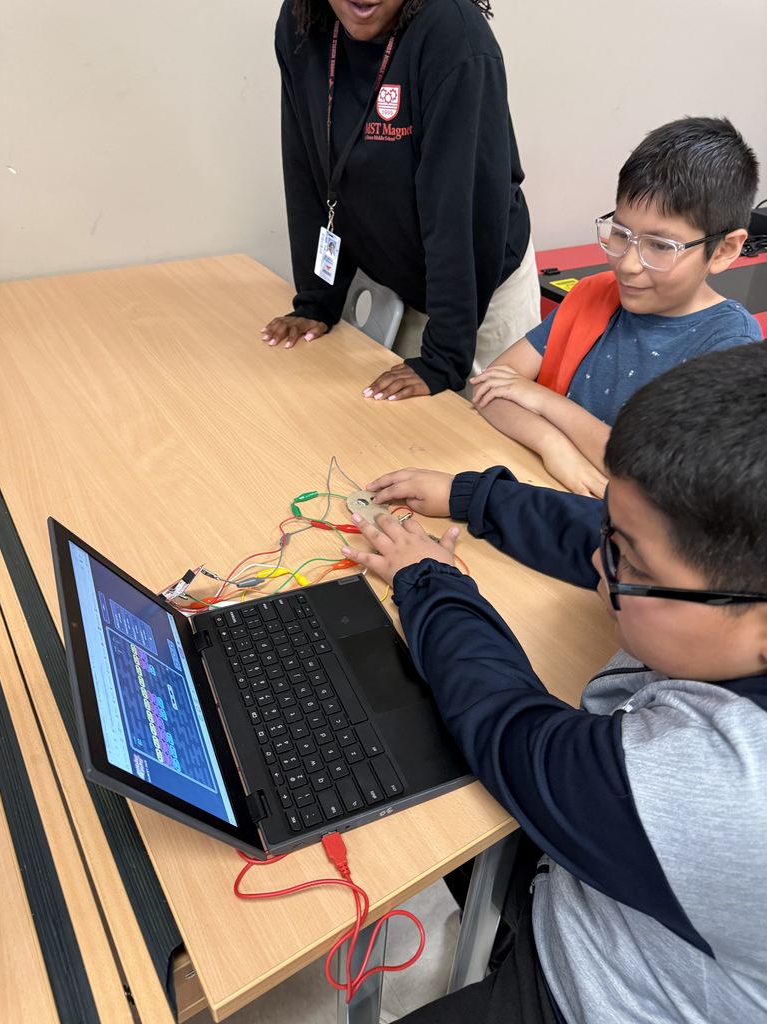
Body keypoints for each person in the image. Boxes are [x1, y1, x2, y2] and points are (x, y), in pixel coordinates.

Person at [339, 343, 767, 1023]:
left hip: (591, 988)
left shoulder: (728, 785)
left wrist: (431, 582)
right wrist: (474, 496)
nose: (600, 557)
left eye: (623, 559)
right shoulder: (723, 591)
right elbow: (635, 534)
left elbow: (513, 729)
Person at [471, 117, 762, 498]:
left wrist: (545, 402)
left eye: (660, 245)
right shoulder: (595, 294)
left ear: (723, 250)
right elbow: (491, 386)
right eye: (621, 233)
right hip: (537, 486)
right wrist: (551, 446)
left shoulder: (729, 347)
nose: (627, 263)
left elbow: (655, 478)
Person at [265, 0, 540, 400]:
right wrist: (316, 301)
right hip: (401, 281)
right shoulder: (302, 20)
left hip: (476, 294)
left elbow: (459, 209)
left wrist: (443, 357)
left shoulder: (454, 34)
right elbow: (307, 164)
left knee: (471, 449)